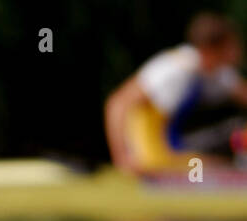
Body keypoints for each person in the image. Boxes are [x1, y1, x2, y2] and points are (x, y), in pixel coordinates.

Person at [105, 12, 247, 176]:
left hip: (171, 147)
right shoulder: (175, 69)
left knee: (233, 133)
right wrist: (122, 158)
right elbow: (118, 103)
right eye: (232, 46)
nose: (238, 52)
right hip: (151, 156)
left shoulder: (214, 71)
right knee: (221, 168)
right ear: (211, 50)